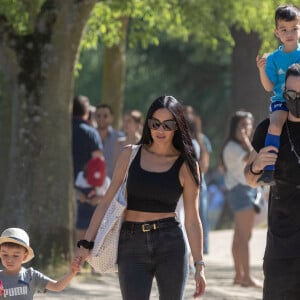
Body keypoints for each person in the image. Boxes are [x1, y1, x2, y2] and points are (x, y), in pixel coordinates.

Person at [75, 96, 206, 299]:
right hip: (131, 243)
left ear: (178, 126)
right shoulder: (130, 155)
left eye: (167, 124)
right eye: (155, 123)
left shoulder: (187, 165)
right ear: (147, 124)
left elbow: (192, 219)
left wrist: (199, 265)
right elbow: (106, 202)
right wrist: (85, 243)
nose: (160, 130)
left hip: (171, 243)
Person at [244, 63, 300, 299]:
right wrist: (257, 166)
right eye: (290, 95)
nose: (295, 100)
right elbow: (250, 179)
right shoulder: (268, 130)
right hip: (282, 245)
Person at [256, 4, 300, 185]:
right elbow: (269, 87)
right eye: (284, 29)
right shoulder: (273, 59)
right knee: (274, 126)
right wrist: (261, 70)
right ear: (277, 32)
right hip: (282, 101)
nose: (289, 34)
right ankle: (269, 168)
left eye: (294, 29)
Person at [221, 110, 261, 287]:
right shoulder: (232, 147)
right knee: (244, 237)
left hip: (245, 191)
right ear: (234, 128)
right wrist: (246, 139)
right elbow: (254, 158)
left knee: (239, 236)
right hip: (241, 191)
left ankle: (239, 275)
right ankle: (246, 277)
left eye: (249, 124)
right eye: (242, 125)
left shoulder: (240, 146)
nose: (246, 128)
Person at [0, 227, 80, 299]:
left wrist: (72, 272)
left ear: (24, 256)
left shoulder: (31, 275)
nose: (9, 259)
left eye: (15, 255)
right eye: (5, 254)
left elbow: (57, 286)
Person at [74, 157, 111, 241]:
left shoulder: (106, 182)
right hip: (83, 209)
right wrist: (80, 195)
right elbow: (75, 190)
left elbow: (109, 199)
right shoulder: (80, 177)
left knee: (96, 236)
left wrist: (100, 198)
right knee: (80, 235)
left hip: (98, 210)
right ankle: (79, 252)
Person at [72, 95, 103, 180]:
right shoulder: (90, 132)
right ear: (87, 111)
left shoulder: (62, 130)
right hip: (84, 182)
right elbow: (97, 159)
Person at [95, 104, 124, 179]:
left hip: (113, 184)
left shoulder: (120, 138)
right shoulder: (89, 137)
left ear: (111, 118)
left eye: (105, 116)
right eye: (98, 116)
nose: (101, 119)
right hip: (91, 185)